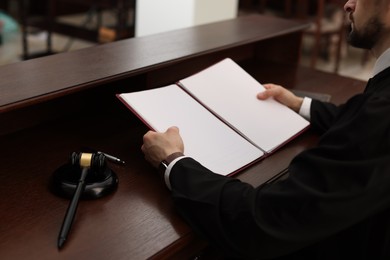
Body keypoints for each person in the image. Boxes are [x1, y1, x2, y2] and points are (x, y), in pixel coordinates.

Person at [141, 0, 390, 259]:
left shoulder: (380, 115)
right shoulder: (376, 109)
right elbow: (360, 125)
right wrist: (300, 104)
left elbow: (260, 221)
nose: (348, 4)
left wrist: (174, 163)